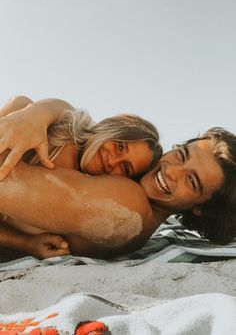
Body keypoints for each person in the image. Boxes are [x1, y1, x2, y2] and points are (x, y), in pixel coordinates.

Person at [0, 98, 236, 259]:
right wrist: (39, 112)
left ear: (200, 209)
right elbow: (73, 117)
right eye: (182, 155)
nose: (172, 172)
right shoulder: (130, 188)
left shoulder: (129, 206)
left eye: (192, 181)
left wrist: (27, 112)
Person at [0, 96, 162, 258]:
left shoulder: (83, 201)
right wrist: (41, 110)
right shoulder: (58, 127)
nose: (112, 161)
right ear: (112, 129)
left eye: (125, 167)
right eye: (120, 146)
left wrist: (25, 243)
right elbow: (24, 103)